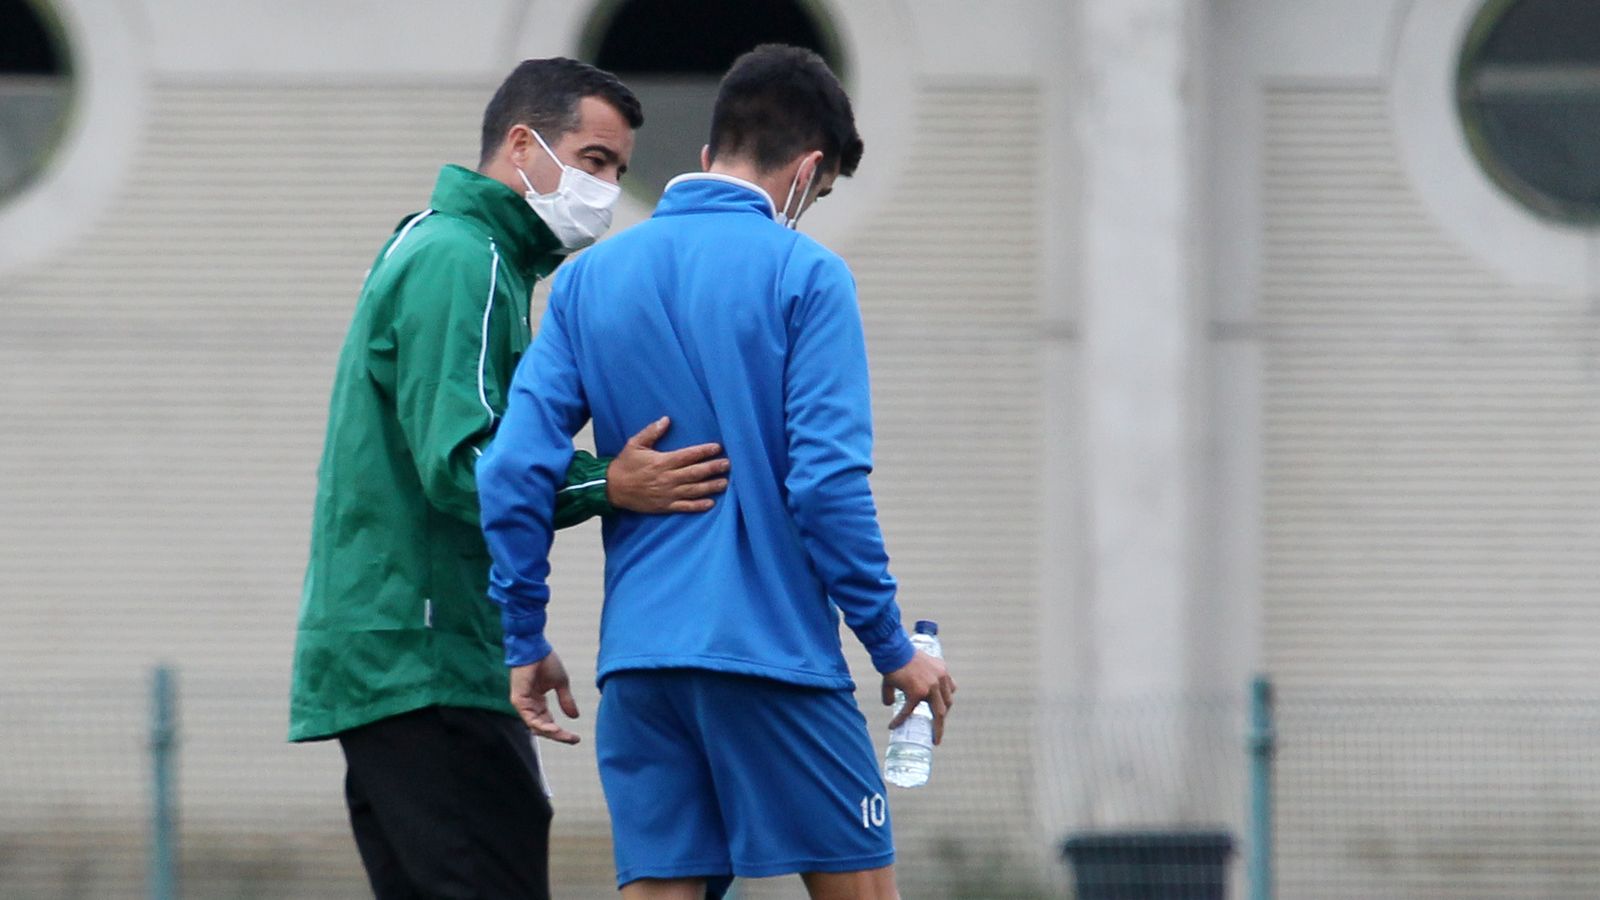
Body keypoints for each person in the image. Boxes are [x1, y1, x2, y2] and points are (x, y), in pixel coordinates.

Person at [479, 45, 956, 900]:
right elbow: (826, 487)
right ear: (807, 171)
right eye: (822, 194)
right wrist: (891, 648)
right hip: (772, 660)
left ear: (708, 155)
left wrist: (525, 633)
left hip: (641, 668)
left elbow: (512, 467)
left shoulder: (588, 282)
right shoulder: (808, 276)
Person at [288, 58, 730, 900]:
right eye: (594, 160)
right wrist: (610, 483)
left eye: (618, 170)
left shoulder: (443, 246)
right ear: (522, 145)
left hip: (411, 650)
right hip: (427, 659)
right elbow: (467, 466)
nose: (606, 190)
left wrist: (511, 636)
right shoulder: (467, 258)